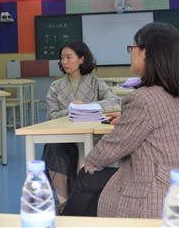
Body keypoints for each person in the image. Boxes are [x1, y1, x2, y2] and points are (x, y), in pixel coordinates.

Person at [62, 22, 179, 219]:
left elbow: (114, 146)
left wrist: (89, 161)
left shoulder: (143, 98)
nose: (131, 54)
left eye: (132, 48)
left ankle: (63, 221)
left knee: (87, 175)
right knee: (92, 190)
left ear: (146, 53)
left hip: (157, 194)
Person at [41, 40, 121, 212]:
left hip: (93, 137)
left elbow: (116, 102)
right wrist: (73, 110)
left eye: (69, 57)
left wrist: (88, 106)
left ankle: (83, 201)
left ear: (82, 59)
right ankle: (64, 204)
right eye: (62, 57)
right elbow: (51, 117)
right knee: (53, 147)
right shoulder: (55, 86)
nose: (64, 61)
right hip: (65, 138)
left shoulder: (95, 83)